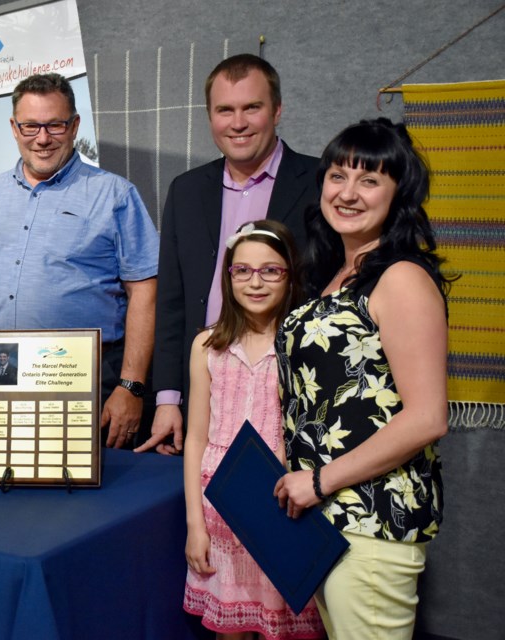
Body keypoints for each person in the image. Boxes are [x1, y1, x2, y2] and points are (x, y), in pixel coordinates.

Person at [273, 118, 451, 639]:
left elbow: (427, 418)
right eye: (338, 176)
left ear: (398, 196)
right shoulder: (336, 274)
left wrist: (321, 480)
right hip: (328, 522)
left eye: (369, 180)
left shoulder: (401, 277)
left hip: (373, 522)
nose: (347, 192)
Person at [0, 73, 158, 447]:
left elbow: (145, 294)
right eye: (30, 126)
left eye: (54, 125)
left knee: (86, 502)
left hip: (87, 384)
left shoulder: (115, 196)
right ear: (13, 127)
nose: (42, 138)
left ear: (74, 126)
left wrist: (131, 386)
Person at [142, 54, 319, 455]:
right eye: (225, 110)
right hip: (202, 389)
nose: (237, 123)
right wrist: (168, 398)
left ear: (277, 110)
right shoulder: (186, 190)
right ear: (210, 116)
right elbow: (171, 301)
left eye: (251, 108)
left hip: (287, 388)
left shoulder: (321, 184)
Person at [183, 220, 324, 639]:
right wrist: (195, 524)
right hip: (218, 507)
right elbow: (195, 438)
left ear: (289, 275)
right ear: (228, 277)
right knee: (231, 628)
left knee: (284, 626)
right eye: (242, 270)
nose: (255, 282)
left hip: (282, 508)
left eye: (270, 270)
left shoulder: (302, 345)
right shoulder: (207, 346)